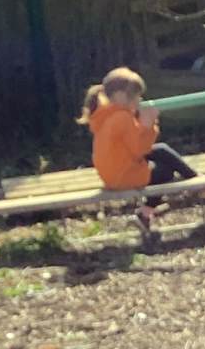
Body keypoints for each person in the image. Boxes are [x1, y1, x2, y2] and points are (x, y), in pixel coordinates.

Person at [78, 66, 198, 245]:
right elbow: (140, 149)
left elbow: (135, 148)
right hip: (124, 176)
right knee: (165, 168)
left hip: (113, 176)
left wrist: (145, 127)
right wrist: (147, 125)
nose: (139, 100)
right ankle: (197, 183)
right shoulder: (122, 118)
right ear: (120, 96)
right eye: (136, 96)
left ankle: (147, 212)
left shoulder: (105, 115)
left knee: (160, 152)